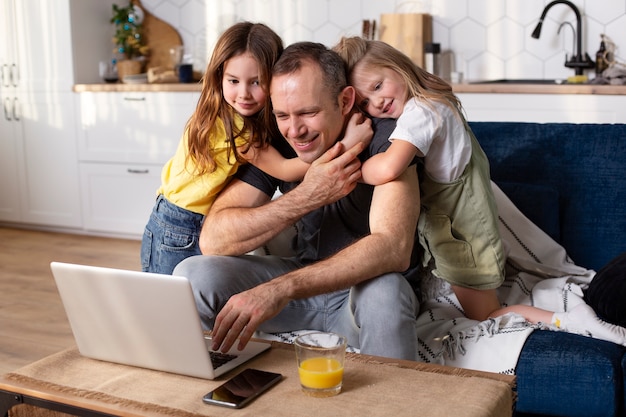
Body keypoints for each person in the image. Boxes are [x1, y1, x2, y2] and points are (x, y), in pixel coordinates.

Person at [332, 36, 626, 346]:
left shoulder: (421, 114)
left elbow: (388, 169)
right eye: (364, 102)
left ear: (399, 68)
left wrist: (346, 163)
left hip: (463, 235)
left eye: (378, 87)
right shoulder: (432, 101)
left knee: (486, 316)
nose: (375, 103)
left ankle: (565, 321)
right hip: (462, 227)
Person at [173, 41, 422, 360]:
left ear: (344, 101)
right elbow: (214, 239)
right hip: (304, 286)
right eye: (282, 116)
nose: (296, 130)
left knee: (385, 292)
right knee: (192, 274)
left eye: (308, 112)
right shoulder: (278, 146)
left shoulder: (386, 137)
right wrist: (308, 194)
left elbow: (393, 247)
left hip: (361, 292)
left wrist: (280, 289)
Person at [140, 23, 370, 275]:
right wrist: (346, 145)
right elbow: (284, 168)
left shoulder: (216, 112)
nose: (243, 94)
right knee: (173, 302)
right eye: (233, 81)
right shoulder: (238, 129)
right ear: (220, 77)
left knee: (175, 300)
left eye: (256, 82)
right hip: (182, 225)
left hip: (167, 212)